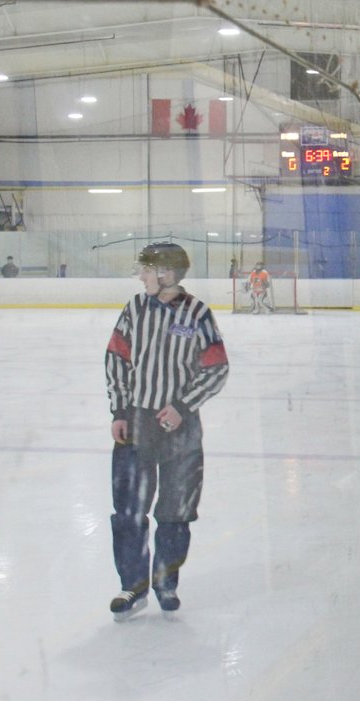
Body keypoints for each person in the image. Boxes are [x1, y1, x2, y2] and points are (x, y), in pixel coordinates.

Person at [104, 242, 229, 621]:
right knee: (129, 510)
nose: (141, 276)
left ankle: (165, 581)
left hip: (181, 428)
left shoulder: (197, 314)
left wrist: (182, 406)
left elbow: (216, 367)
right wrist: (120, 409)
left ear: (167, 274)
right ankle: (133, 585)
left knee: (176, 510)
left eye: (147, 269)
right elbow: (117, 358)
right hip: (137, 423)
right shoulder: (135, 308)